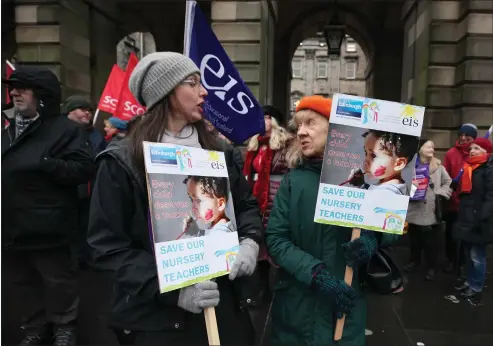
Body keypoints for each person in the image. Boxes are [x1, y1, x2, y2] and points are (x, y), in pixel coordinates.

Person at [87, 52, 262, 346]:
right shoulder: (122, 161)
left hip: (225, 306)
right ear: (166, 93)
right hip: (159, 321)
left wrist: (250, 242)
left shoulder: (218, 152)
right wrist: (173, 291)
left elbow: (245, 207)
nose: (204, 91)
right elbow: (107, 248)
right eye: (192, 83)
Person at [265, 95, 399, 346]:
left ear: (335, 130)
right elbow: (276, 238)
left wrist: (373, 239)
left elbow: (389, 224)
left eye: (310, 123)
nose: (301, 132)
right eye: (298, 126)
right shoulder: (293, 181)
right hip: (296, 314)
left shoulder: (366, 179)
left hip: (345, 314)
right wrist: (316, 275)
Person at [2, 65, 96, 346]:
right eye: (12, 87)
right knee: (23, 282)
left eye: (23, 87)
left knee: (58, 282)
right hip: (11, 225)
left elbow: (84, 169)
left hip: (49, 225)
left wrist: (46, 165)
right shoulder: (7, 130)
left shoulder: (65, 130)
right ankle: (34, 327)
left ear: (42, 95)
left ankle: (64, 327)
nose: (14, 92)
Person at [243, 105, 292, 297]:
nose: (263, 121)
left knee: (277, 240)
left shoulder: (285, 144)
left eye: (267, 117)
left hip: (277, 198)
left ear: (275, 122)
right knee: (260, 243)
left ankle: (280, 287)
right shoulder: (255, 144)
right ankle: (262, 289)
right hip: (258, 198)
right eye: (261, 118)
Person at [63, 95, 106, 268]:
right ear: (70, 112)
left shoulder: (96, 135)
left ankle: (86, 258)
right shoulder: (59, 133)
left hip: (91, 191)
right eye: (83, 109)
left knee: (88, 226)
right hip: (67, 190)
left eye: (89, 110)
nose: (87, 113)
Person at [404, 139, 452, 280]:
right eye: (428, 146)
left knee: (431, 242)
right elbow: (401, 183)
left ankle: (432, 267)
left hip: (431, 208)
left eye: (433, 146)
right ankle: (414, 261)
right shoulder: (410, 166)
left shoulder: (438, 166)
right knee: (414, 239)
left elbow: (448, 181)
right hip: (414, 207)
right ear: (420, 149)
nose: (432, 148)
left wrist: (440, 192)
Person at [453, 137, 493, 306]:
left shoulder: (488, 169)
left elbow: (490, 196)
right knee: (468, 255)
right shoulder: (468, 167)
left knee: (477, 257)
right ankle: (469, 282)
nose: (472, 151)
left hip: (479, 221)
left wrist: (482, 216)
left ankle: (476, 287)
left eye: (477, 148)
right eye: (471, 149)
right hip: (465, 218)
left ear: (485, 152)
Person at [443, 123, 478, 273]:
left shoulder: (476, 154)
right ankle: (451, 260)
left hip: (469, 203)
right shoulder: (451, 153)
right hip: (453, 202)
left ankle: (463, 262)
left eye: (467, 135)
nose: (463, 138)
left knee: (466, 236)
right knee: (451, 233)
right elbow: (445, 175)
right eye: (461, 135)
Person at [351, 130, 419, 195]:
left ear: (399, 164)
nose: (365, 161)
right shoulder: (390, 187)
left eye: (373, 155)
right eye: (366, 153)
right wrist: (361, 185)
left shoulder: (386, 193)